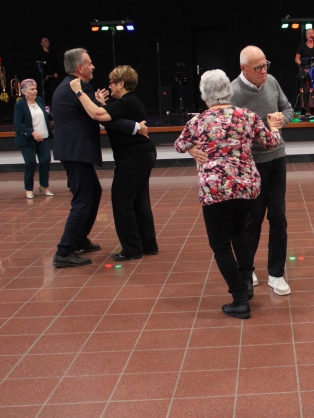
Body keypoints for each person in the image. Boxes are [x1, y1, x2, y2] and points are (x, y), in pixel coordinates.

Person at [189, 46, 295, 295]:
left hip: (276, 158)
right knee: (252, 221)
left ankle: (276, 273)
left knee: (278, 218)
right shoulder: (232, 92)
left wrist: (281, 120)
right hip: (249, 166)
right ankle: (248, 269)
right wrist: (194, 148)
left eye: (266, 65)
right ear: (243, 69)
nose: (264, 71)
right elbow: (208, 125)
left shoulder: (272, 82)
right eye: (258, 67)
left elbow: (288, 109)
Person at [176, 70, 282, 318]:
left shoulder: (198, 121)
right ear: (229, 91)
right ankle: (245, 281)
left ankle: (239, 298)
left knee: (220, 245)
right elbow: (271, 142)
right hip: (246, 186)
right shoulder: (247, 116)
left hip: (215, 190)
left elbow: (179, 144)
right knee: (239, 234)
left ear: (205, 96)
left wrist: (192, 148)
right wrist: (275, 127)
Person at [51, 48, 148, 268]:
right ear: (79, 68)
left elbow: (100, 114)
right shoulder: (75, 88)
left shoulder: (76, 87)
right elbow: (100, 117)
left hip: (75, 152)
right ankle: (64, 250)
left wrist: (100, 105)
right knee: (83, 199)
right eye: (90, 63)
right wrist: (134, 126)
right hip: (76, 152)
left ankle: (78, 238)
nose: (93, 66)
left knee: (92, 193)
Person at [70, 65, 158, 261]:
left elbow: (97, 116)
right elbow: (108, 116)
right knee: (138, 201)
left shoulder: (125, 102)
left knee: (122, 201)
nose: (109, 85)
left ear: (121, 83)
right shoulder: (128, 101)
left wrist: (79, 91)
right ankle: (147, 245)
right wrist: (101, 105)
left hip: (133, 157)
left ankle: (132, 249)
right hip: (143, 154)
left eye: (112, 82)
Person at [13, 79, 53, 199]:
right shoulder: (20, 104)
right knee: (30, 163)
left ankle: (44, 186)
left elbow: (45, 115)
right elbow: (18, 123)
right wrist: (33, 132)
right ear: (24, 91)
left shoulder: (39, 100)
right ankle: (29, 189)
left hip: (43, 137)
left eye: (35, 89)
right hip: (27, 140)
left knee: (45, 161)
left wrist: (51, 119)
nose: (35, 91)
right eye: (32, 89)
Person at [37, 37, 61, 107]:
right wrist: (45, 74)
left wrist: (56, 72)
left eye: (47, 41)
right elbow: (39, 65)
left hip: (53, 76)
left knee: (54, 90)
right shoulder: (40, 54)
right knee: (46, 91)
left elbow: (56, 63)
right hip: (45, 76)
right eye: (45, 41)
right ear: (41, 43)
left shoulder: (52, 52)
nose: (47, 42)